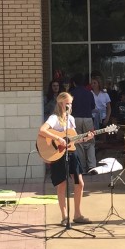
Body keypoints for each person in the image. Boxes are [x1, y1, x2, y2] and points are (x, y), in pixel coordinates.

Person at [39, 92, 94, 225]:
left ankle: (77, 214)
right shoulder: (54, 118)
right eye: (67, 103)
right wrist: (58, 138)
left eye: (71, 103)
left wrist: (86, 138)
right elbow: (42, 130)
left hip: (71, 152)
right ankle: (64, 216)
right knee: (62, 184)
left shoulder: (71, 119)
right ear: (61, 103)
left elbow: (72, 139)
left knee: (79, 182)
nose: (69, 105)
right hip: (58, 154)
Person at [70, 73, 97, 171]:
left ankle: (82, 166)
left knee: (78, 143)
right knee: (90, 142)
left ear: (74, 83)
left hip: (76, 119)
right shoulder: (89, 92)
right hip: (88, 118)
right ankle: (92, 166)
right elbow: (93, 106)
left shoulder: (71, 93)